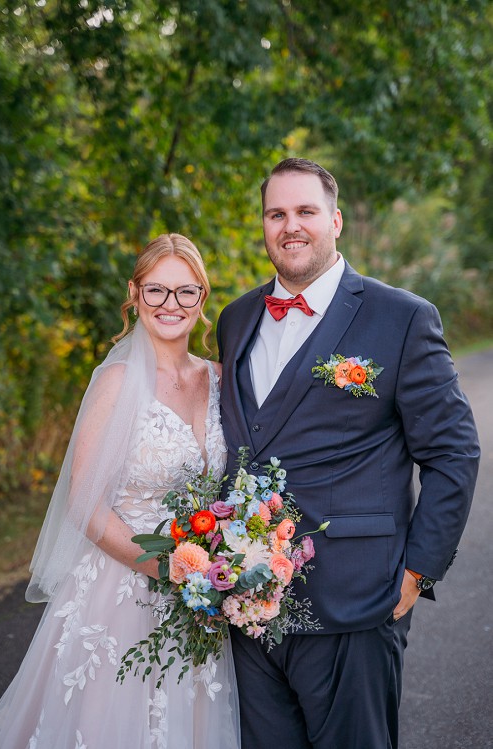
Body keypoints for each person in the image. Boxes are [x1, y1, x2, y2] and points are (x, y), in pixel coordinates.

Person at [216, 158, 480, 749]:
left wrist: (418, 571)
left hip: (357, 599)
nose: (292, 226)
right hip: (248, 603)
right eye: (276, 213)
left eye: (306, 211)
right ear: (262, 225)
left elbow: (453, 452)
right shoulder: (235, 321)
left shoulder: (402, 318)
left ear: (335, 221)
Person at [0, 234, 240, 749]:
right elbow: (83, 503)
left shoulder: (219, 379)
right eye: (156, 291)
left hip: (201, 601)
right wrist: (165, 568)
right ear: (134, 295)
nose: (170, 305)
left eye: (184, 292)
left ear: (202, 298)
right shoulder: (116, 383)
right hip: (120, 592)